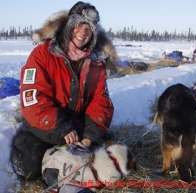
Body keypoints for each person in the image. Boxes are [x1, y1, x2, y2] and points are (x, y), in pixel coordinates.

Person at [11, 1, 117, 181]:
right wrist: (61, 127)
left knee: (105, 156)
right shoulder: (42, 54)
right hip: (45, 122)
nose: (83, 32)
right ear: (69, 26)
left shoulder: (97, 62)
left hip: (77, 124)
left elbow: (100, 101)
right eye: (78, 25)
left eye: (89, 28)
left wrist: (90, 136)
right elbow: (33, 98)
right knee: (28, 167)